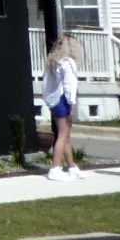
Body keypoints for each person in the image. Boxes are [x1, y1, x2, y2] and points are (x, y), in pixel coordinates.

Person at [42, 35, 82, 179]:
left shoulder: (52, 61)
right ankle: (56, 168)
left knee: (65, 135)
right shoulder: (68, 62)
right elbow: (70, 85)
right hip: (63, 100)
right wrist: (72, 104)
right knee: (63, 135)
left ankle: (72, 166)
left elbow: (45, 84)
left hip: (53, 100)